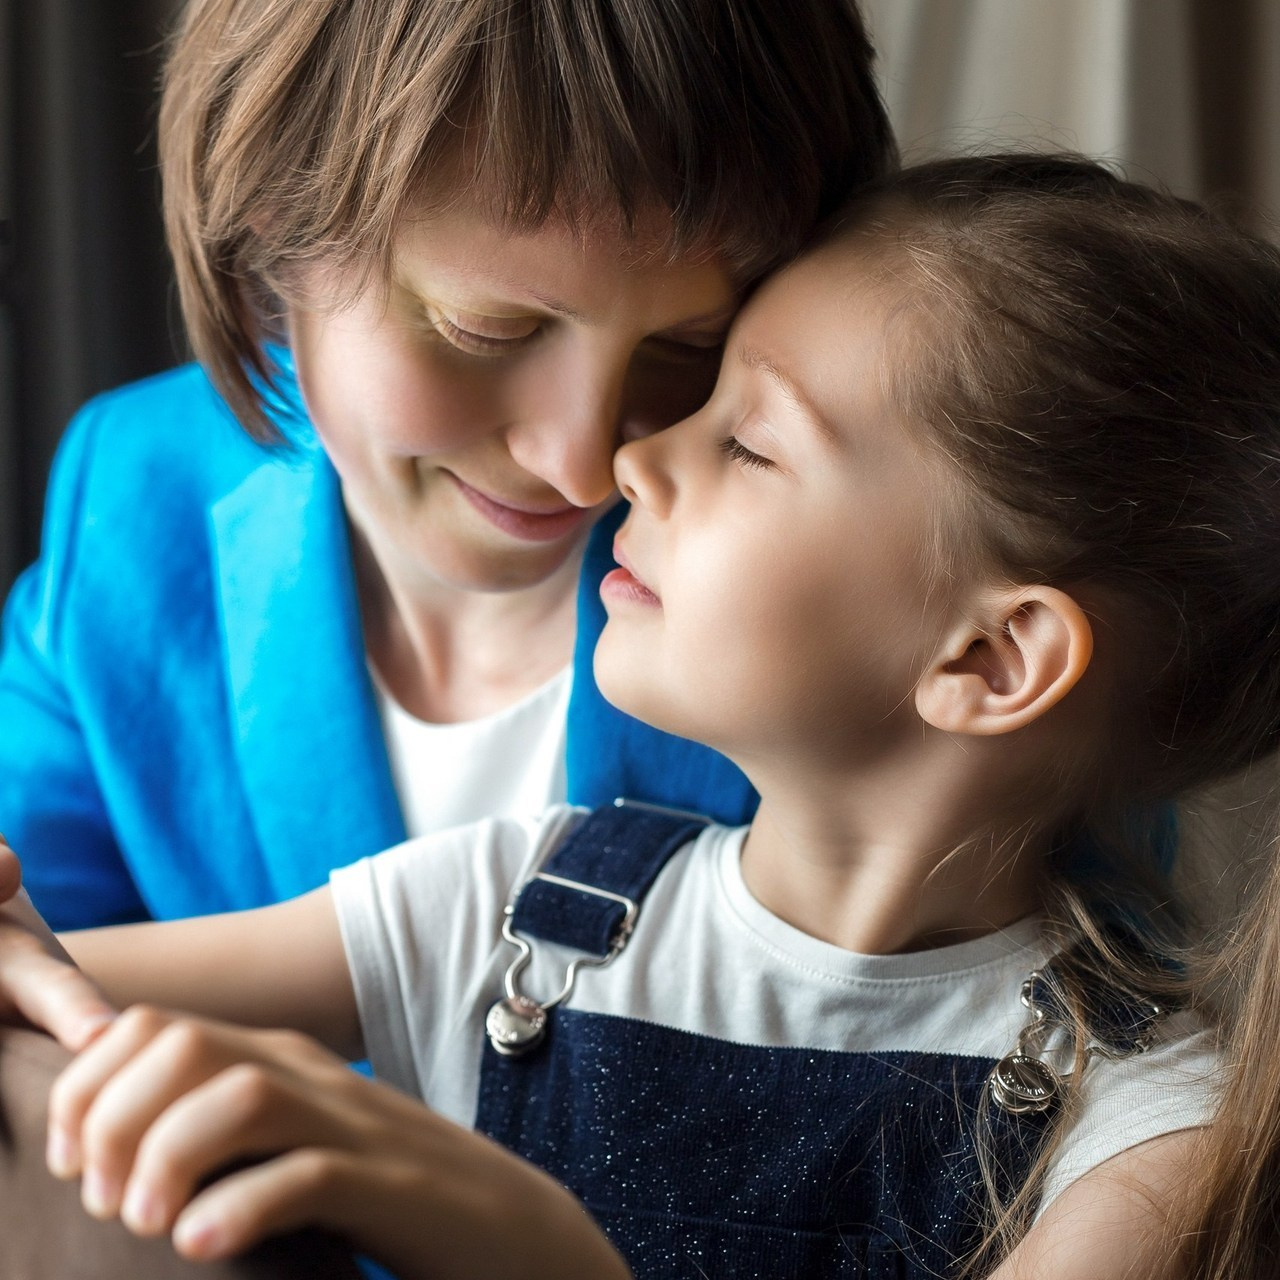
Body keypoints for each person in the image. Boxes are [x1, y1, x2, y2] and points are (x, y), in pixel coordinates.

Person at [3, 153, 1279, 1279]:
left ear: (995, 655)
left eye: (747, 442)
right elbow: (51, 986)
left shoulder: (1151, 1144)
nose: (625, 458)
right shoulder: (514, 903)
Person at [0, 0, 894, 932]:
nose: (581, 469)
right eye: (488, 328)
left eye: (689, 345)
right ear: (276, 223)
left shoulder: (868, 565)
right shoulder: (135, 497)